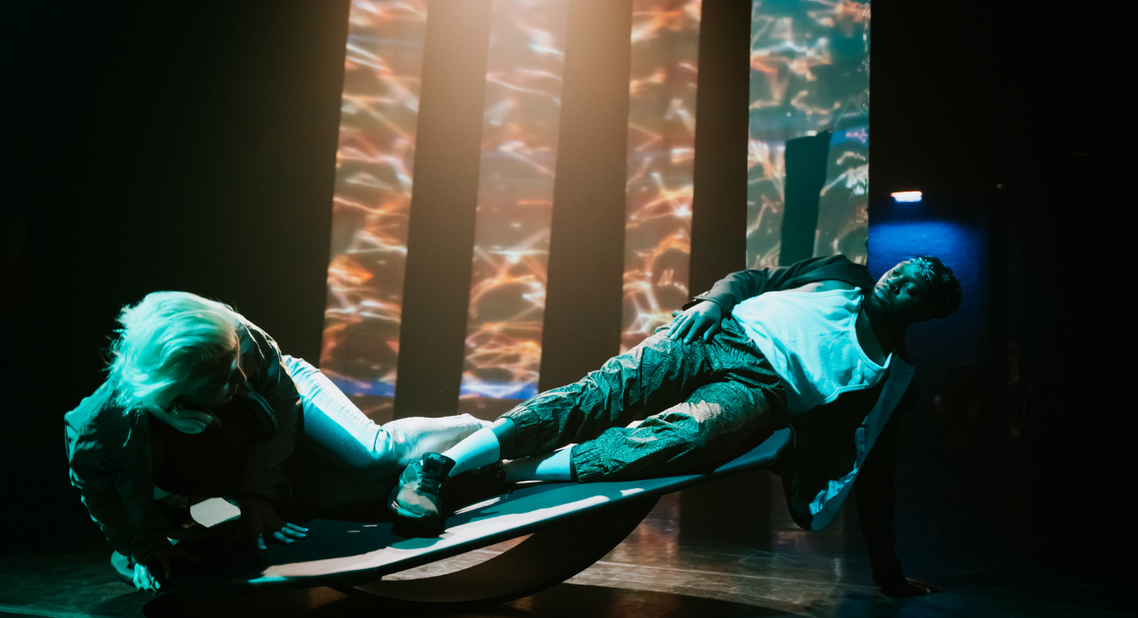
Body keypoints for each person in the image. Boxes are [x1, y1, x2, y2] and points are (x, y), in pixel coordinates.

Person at [388, 254, 961, 597]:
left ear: (928, 311)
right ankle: (437, 468)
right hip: (717, 332)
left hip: (760, 391)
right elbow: (755, 276)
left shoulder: (891, 377)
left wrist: (889, 574)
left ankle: (502, 473)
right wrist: (712, 302)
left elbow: (874, 472)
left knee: (684, 439)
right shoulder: (841, 274)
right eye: (902, 268)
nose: (896, 279)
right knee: (599, 394)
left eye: (914, 284)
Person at [64, 291, 487, 592]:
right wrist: (144, 545)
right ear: (178, 392)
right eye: (224, 377)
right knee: (371, 494)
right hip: (255, 449)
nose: (240, 376)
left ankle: (481, 429)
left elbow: (283, 404)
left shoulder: (233, 337)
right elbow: (97, 489)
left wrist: (256, 491)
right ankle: (458, 462)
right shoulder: (103, 427)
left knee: (374, 457)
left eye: (236, 360)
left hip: (287, 393)